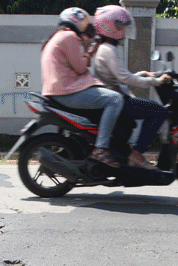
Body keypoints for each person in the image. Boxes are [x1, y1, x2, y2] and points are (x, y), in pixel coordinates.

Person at [41, 7, 124, 168]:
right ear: (78, 24)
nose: (85, 35)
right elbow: (80, 68)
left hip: (59, 91)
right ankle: (101, 148)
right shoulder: (69, 36)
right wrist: (90, 52)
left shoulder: (57, 37)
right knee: (115, 99)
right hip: (67, 91)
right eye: (86, 30)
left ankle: (92, 144)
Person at [92, 5, 172, 170]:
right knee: (160, 111)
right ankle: (137, 153)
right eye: (121, 26)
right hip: (117, 100)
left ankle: (129, 152)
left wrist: (146, 74)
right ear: (110, 27)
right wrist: (156, 82)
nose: (125, 30)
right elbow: (125, 78)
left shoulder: (106, 48)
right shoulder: (108, 49)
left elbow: (121, 75)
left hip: (115, 97)